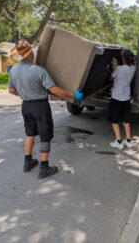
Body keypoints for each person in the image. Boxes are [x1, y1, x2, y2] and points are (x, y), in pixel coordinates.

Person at [8, 39, 83, 179]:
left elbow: (12, 91)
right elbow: (54, 90)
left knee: (29, 134)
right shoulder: (39, 70)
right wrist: (73, 94)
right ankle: (44, 167)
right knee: (44, 136)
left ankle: (28, 162)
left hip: (26, 106)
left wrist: (25, 92)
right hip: (40, 107)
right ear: (30, 54)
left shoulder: (13, 70)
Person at [108, 49, 136, 150]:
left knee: (114, 120)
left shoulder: (119, 69)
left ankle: (118, 142)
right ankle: (128, 141)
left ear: (123, 58)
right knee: (126, 120)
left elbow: (111, 78)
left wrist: (111, 69)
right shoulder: (133, 68)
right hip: (126, 98)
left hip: (116, 98)